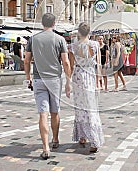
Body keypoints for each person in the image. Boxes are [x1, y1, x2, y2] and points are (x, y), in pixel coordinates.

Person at [24, 13, 72, 160]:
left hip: (39, 79)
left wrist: (28, 78)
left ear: (42, 23)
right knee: (55, 111)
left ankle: (45, 148)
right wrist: (68, 81)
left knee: (42, 113)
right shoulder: (60, 39)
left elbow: (26, 61)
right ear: (54, 23)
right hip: (55, 80)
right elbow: (65, 62)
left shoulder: (33, 39)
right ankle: (55, 140)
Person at [69, 22, 105, 153]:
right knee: (91, 107)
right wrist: (99, 77)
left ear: (79, 32)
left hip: (78, 76)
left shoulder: (73, 46)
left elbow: (71, 65)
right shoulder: (95, 45)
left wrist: (68, 81)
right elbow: (99, 64)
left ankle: (82, 136)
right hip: (90, 75)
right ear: (89, 33)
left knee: (80, 106)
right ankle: (94, 140)